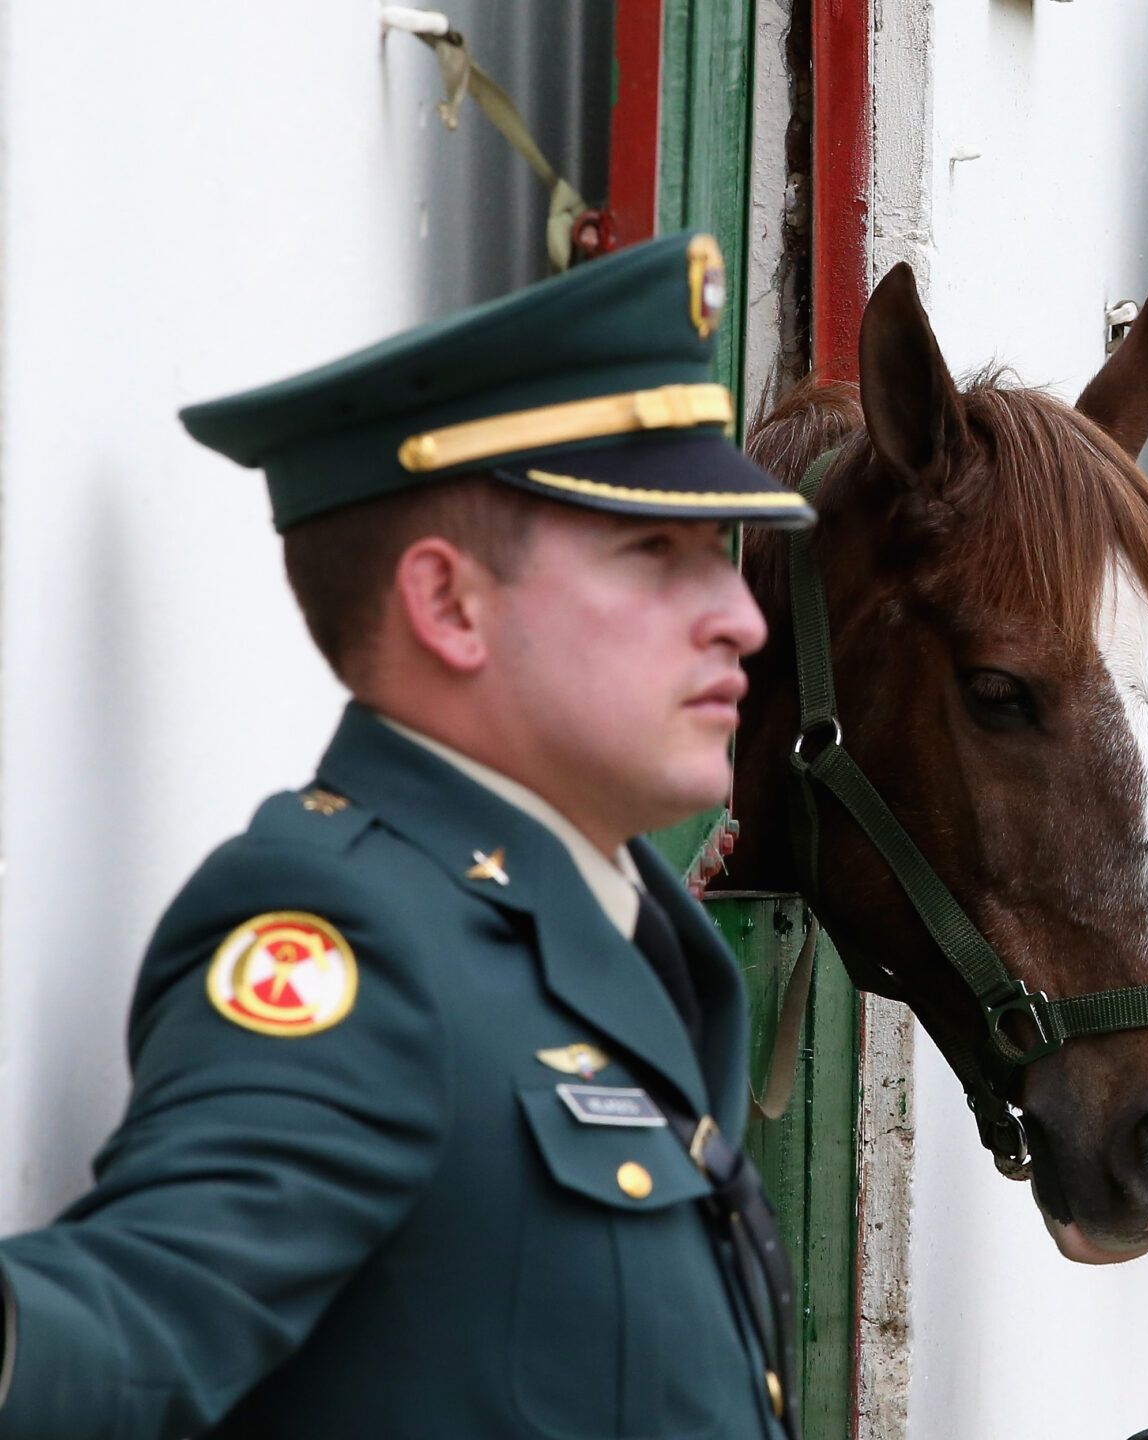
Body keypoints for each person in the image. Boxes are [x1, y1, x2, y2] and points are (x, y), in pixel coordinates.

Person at [0, 234, 815, 1438]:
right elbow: (137, 1321)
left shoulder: (621, 925)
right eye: (658, 552)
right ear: (447, 604)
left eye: (726, 558)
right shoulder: (351, 935)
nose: (742, 618)